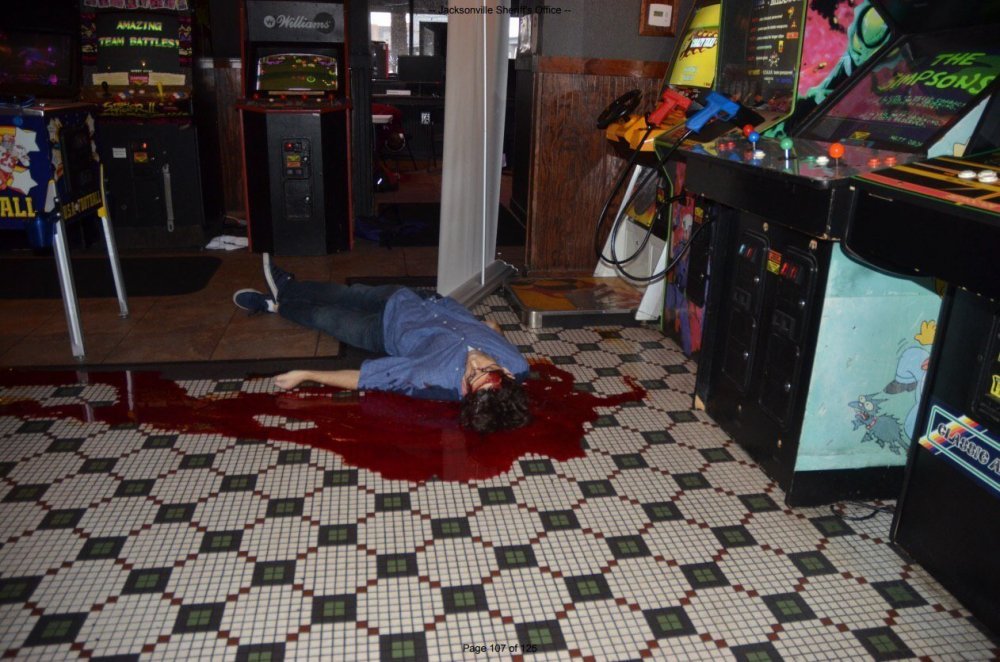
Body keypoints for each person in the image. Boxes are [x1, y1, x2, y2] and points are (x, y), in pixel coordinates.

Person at [233, 255, 532, 434]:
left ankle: (276, 306)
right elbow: (494, 331)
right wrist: (492, 329)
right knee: (345, 294)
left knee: (326, 316)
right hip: (415, 299)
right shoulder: (517, 363)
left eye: (471, 376)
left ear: (465, 390)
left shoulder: (431, 377)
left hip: (383, 331)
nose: (474, 364)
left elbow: (366, 378)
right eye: (485, 368)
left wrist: (306, 374)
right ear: (506, 371)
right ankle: (288, 286)